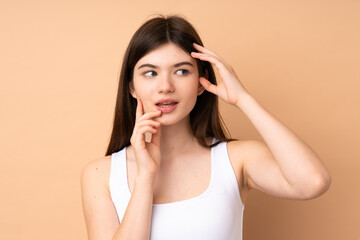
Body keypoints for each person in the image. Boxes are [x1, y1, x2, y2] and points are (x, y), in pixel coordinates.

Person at [81, 14, 331, 240]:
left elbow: (313, 181)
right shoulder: (100, 175)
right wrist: (145, 176)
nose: (165, 86)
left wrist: (243, 99)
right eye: (150, 73)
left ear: (201, 83)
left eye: (181, 71)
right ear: (131, 87)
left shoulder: (236, 160)